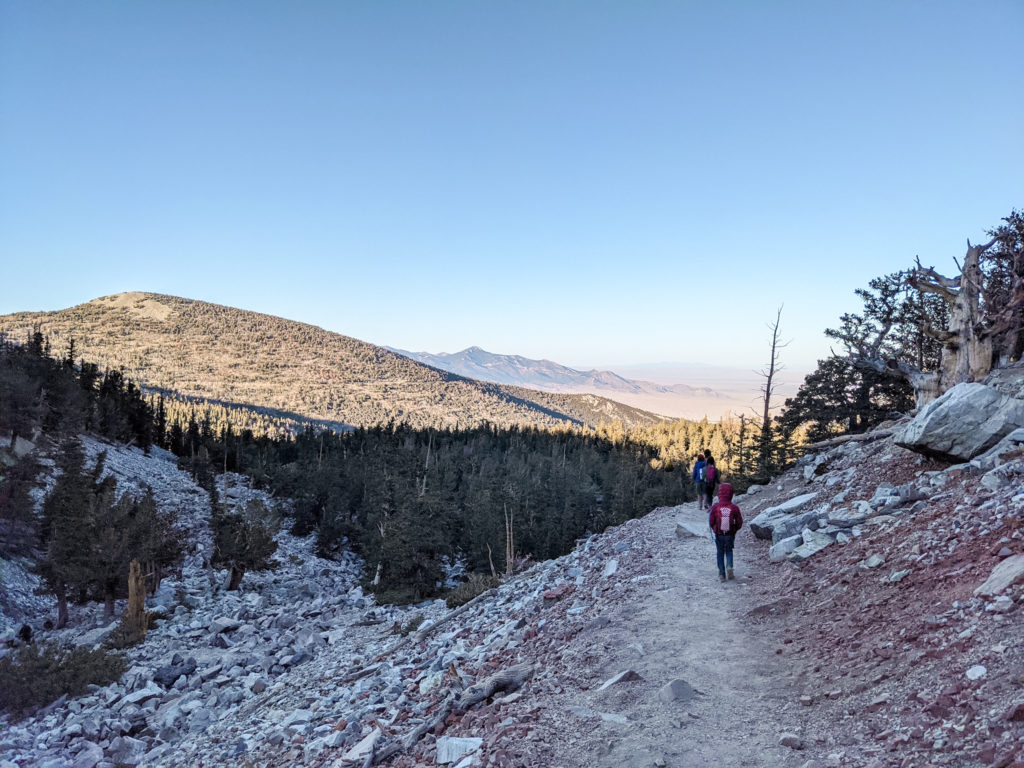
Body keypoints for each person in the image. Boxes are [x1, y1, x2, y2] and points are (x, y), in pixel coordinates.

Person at [709, 482, 743, 582]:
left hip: (719, 534)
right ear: (731, 494)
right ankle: (729, 566)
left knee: (720, 552)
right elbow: (739, 522)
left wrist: (715, 529)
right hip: (730, 534)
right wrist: (734, 529)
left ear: (720, 494)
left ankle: (722, 574)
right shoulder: (734, 508)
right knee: (729, 551)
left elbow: (711, 522)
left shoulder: (715, 507)